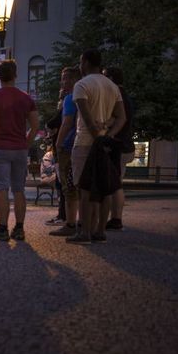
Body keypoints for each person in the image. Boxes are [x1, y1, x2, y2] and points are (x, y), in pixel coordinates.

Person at [67, 49, 126, 244]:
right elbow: (121, 117)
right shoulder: (112, 86)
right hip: (105, 143)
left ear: (85, 62)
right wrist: (108, 135)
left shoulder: (81, 85)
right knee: (104, 187)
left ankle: (84, 232)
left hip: (85, 143)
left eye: (80, 62)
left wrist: (96, 136)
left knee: (85, 189)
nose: (79, 66)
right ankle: (100, 231)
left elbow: (86, 118)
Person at [0, 60, 39, 241]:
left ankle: (3, 229)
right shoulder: (26, 98)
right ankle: (19, 229)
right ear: (15, 75)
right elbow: (35, 126)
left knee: (2, 189)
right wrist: (26, 144)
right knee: (19, 189)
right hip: (19, 149)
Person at [49, 66, 82, 237]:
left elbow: (67, 122)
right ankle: (84, 223)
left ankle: (70, 223)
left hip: (69, 147)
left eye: (66, 78)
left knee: (68, 187)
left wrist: (59, 144)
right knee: (81, 186)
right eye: (62, 79)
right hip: (84, 145)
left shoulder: (71, 99)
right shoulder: (85, 95)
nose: (63, 82)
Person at [103, 66, 135, 231]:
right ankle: (115, 218)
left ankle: (115, 219)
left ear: (111, 78)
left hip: (118, 145)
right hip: (125, 145)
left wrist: (107, 131)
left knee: (114, 184)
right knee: (117, 183)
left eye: (104, 76)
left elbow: (116, 119)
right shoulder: (125, 96)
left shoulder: (117, 95)